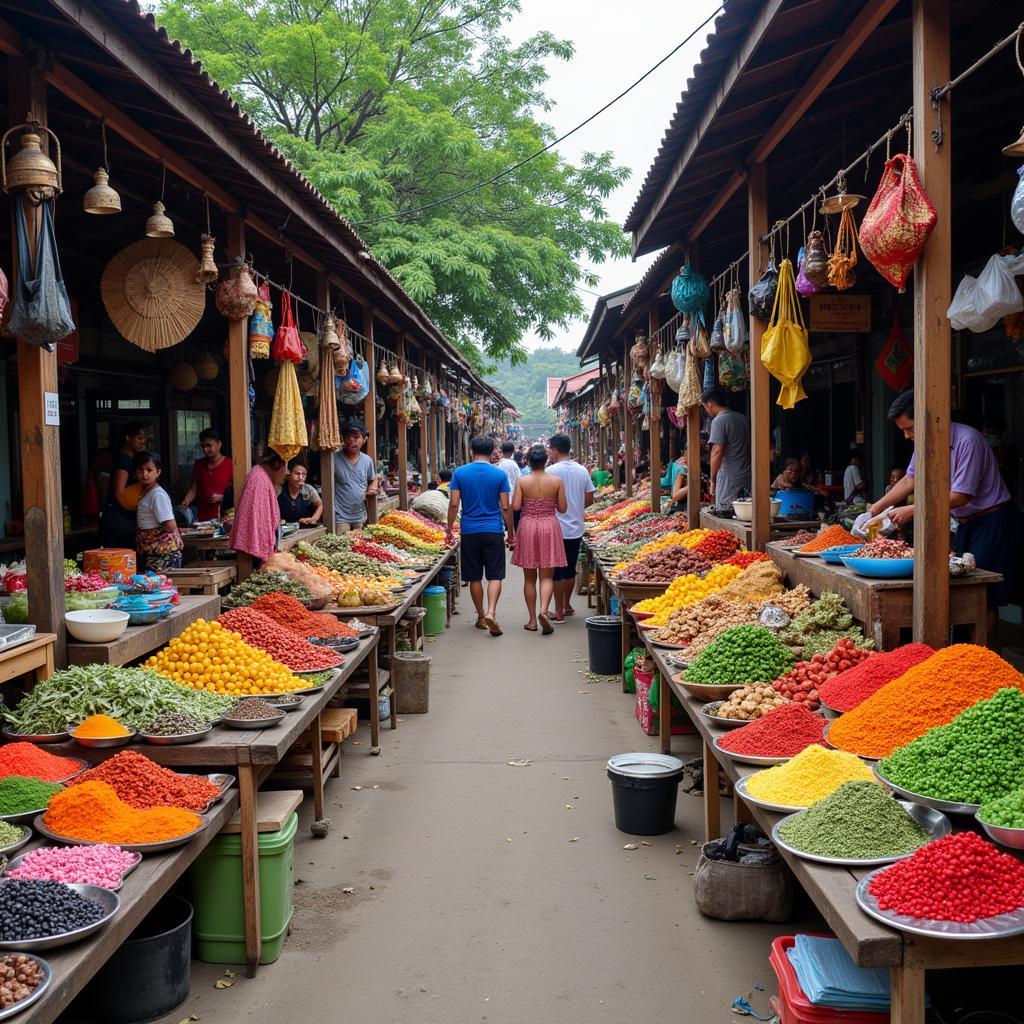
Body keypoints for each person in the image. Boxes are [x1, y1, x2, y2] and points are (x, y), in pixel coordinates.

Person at [868, 390, 1021, 624]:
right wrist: (877, 507)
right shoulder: (925, 442)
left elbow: (961, 496)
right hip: (966, 523)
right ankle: (962, 650)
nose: (907, 436)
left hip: (993, 521)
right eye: (903, 431)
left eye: (909, 429)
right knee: (961, 592)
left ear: (926, 419)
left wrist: (913, 510)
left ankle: (984, 655)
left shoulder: (968, 441)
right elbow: (910, 479)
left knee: (983, 596)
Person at [447, 435, 514, 636]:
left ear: (471, 451)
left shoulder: (459, 472)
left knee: (474, 577)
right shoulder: (499, 475)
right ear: (493, 450)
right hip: (493, 530)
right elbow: (505, 506)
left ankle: (481, 616)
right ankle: (492, 611)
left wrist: (448, 528)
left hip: (469, 530)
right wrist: (511, 532)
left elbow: (453, 503)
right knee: (495, 575)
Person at [511, 444, 567, 634]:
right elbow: (562, 508)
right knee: (547, 576)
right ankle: (544, 610)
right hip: (549, 525)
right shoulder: (557, 481)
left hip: (527, 526)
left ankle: (533, 620)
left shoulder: (522, 481)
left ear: (528, 461)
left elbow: (516, 506)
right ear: (546, 460)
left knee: (529, 579)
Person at [546, 433, 596, 622]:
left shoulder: (550, 471)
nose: (549, 452)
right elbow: (590, 498)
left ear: (554, 449)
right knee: (570, 568)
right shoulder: (582, 470)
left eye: (550, 449)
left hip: (555, 527)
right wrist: (575, 509)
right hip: (575, 528)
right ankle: (567, 604)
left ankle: (558, 610)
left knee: (557, 571)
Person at [230, 453, 288, 563]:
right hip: (253, 555)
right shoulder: (258, 479)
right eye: (285, 468)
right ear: (276, 464)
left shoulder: (261, 476)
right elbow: (257, 520)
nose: (286, 473)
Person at [701, 387, 751, 510]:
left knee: (727, 513)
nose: (706, 410)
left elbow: (717, 451)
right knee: (746, 511)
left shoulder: (719, 421)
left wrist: (713, 479)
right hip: (749, 475)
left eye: (704, 407)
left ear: (710, 404)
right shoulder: (745, 419)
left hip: (730, 478)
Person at [100, 421, 148, 549]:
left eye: (144, 438)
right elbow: (119, 492)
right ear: (128, 438)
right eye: (139, 438)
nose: (143, 441)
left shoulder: (129, 460)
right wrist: (137, 508)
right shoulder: (123, 460)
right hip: (119, 520)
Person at [133, 451, 183, 572]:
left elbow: (170, 526)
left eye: (149, 470)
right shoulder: (147, 492)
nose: (144, 474)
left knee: (161, 587)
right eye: (140, 470)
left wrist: (150, 539)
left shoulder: (157, 495)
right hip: (153, 551)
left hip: (162, 553)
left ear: (158, 472)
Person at [180, 428, 233, 522]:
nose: (205, 449)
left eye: (209, 446)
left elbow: (238, 491)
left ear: (219, 444)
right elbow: (194, 488)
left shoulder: (230, 465)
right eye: (203, 446)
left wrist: (223, 498)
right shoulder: (198, 465)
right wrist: (186, 500)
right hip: (202, 518)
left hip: (225, 518)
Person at [333, 420, 377, 530]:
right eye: (348, 437)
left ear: (364, 440)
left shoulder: (367, 460)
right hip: (340, 516)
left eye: (356, 437)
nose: (352, 440)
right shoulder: (334, 459)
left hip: (360, 515)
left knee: (359, 544)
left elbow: (373, 479)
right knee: (343, 543)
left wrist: (373, 487)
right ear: (343, 439)